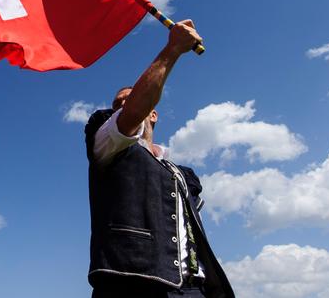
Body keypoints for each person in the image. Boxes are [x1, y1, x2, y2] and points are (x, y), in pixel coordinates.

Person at [83, 19, 234, 298]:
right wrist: (173, 49)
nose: (123, 106)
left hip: (194, 289)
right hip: (132, 283)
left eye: (131, 99)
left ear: (154, 113)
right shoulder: (106, 141)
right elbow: (131, 113)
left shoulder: (182, 173)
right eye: (118, 103)